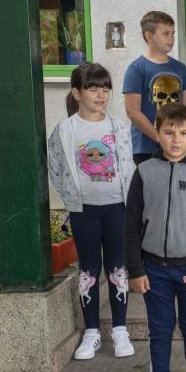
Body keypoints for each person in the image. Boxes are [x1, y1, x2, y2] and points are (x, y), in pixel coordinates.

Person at [48, 63, 136, 361]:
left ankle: (120, 329)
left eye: (105, 88)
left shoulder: (119, 128)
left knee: (117, 268)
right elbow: (55, 169)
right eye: (93, 88)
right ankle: (92, 331)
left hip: (116, 208)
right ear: (77, 93)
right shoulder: (65, 130)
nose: (101, 94)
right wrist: (72, 198)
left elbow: (128, 166)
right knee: (88, 269)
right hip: (83, 211)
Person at [125, 103, 186, 372]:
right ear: (157, 133)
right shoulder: (144, 171)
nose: (176, 140)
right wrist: (135, 269)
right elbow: (131, 223)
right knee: (159, 330)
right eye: (168, 132)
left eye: (183, 133)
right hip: (153, 270)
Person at [123, 11, 186, 165]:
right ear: (149, 36)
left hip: (177, 146)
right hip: (146, 148)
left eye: (173, 33)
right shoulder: (136, 69)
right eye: (166, 34)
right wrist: (159, 137)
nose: (171, 38)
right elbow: (132, 111)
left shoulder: (181, 68)